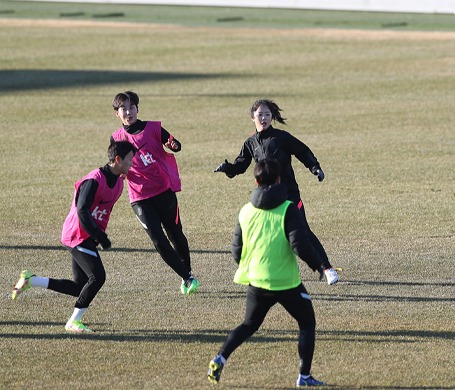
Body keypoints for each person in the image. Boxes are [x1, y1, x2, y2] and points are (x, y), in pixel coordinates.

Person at [208, 159, 328, 387]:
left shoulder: (245, 210)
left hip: (257, 281)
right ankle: (304, 376)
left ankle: (219, 357)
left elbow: (236, 249)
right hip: (285, 283)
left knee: (248, 325)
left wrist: (250, 266)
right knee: (307, 323)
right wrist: (319, 265)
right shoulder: (287, 209)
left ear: (256, 181)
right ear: (279, 180)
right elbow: (300, 245)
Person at [11, 141, 136, 333]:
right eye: (129, 160)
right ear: (117, 160)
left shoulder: (119, 180)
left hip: (87, 235)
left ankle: (31, 280)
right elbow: (82, 210)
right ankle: (73, 321)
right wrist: (99, 236)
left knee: (80, 286)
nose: (132, 163)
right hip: (77, 234)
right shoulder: (94, 180)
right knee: (98, 277)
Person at [214, 99, 339, 285]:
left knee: (302, 231)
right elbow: (240, 166)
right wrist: (228, 168)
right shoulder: (250, 143)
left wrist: (315, 167)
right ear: (252, 118)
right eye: (260, 115)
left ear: (272, 117)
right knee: (274, 234)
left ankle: (327, 268)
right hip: (267, 198)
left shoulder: (282, 137)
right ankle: (282, 267)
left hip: (289, 194)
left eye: (267, 114)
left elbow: (302, 151)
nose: (263, 118)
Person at [110, 91, 199, 295]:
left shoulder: (153, 128)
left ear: (138, 109)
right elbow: (115, 165)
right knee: (159, 241)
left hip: (163, 192)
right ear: (117, 113)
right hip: (139, 198)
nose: (129, 112)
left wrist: (174, 145)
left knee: (176, 234)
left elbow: (174, 143)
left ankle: (188, 271)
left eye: (132, 107)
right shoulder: (116, 138)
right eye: (123, 108)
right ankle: (187, 277)